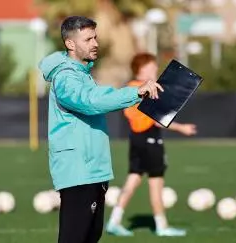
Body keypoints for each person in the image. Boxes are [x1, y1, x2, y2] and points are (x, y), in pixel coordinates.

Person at [38, 17, 163, 243]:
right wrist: (134, 93)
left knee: (90, 237)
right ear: (70, 44)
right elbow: (90, 100)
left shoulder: (83, 74)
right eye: (88, 39)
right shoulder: (66, 76)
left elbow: (98, 97)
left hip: (93, 170)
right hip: (78, 172)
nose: (95, 43)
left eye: (95, 37)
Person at [106, 53, 197, 237]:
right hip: (149, 139)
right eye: (151, 67)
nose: (155, 69)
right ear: (140, 70)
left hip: (136, 139)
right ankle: (162, 226)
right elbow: (155, 118)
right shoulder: (142, 89)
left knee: (132, 180)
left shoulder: (130, 89)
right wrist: (181, 128)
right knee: (156, 181)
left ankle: (114, 221)